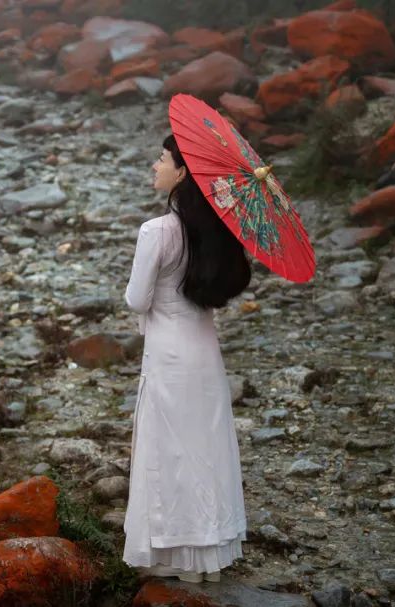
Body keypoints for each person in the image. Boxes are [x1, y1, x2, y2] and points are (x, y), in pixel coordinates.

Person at [122, 134, 252, 584]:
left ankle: (175, 555)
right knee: (206, 447)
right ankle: (210, 558)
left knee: (168, 449)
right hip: (204, 352)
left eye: (161, 159)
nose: (155, 166)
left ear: (181, 172)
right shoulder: (215, 230)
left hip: (169, 353)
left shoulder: (156, 231)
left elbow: (137, 300)